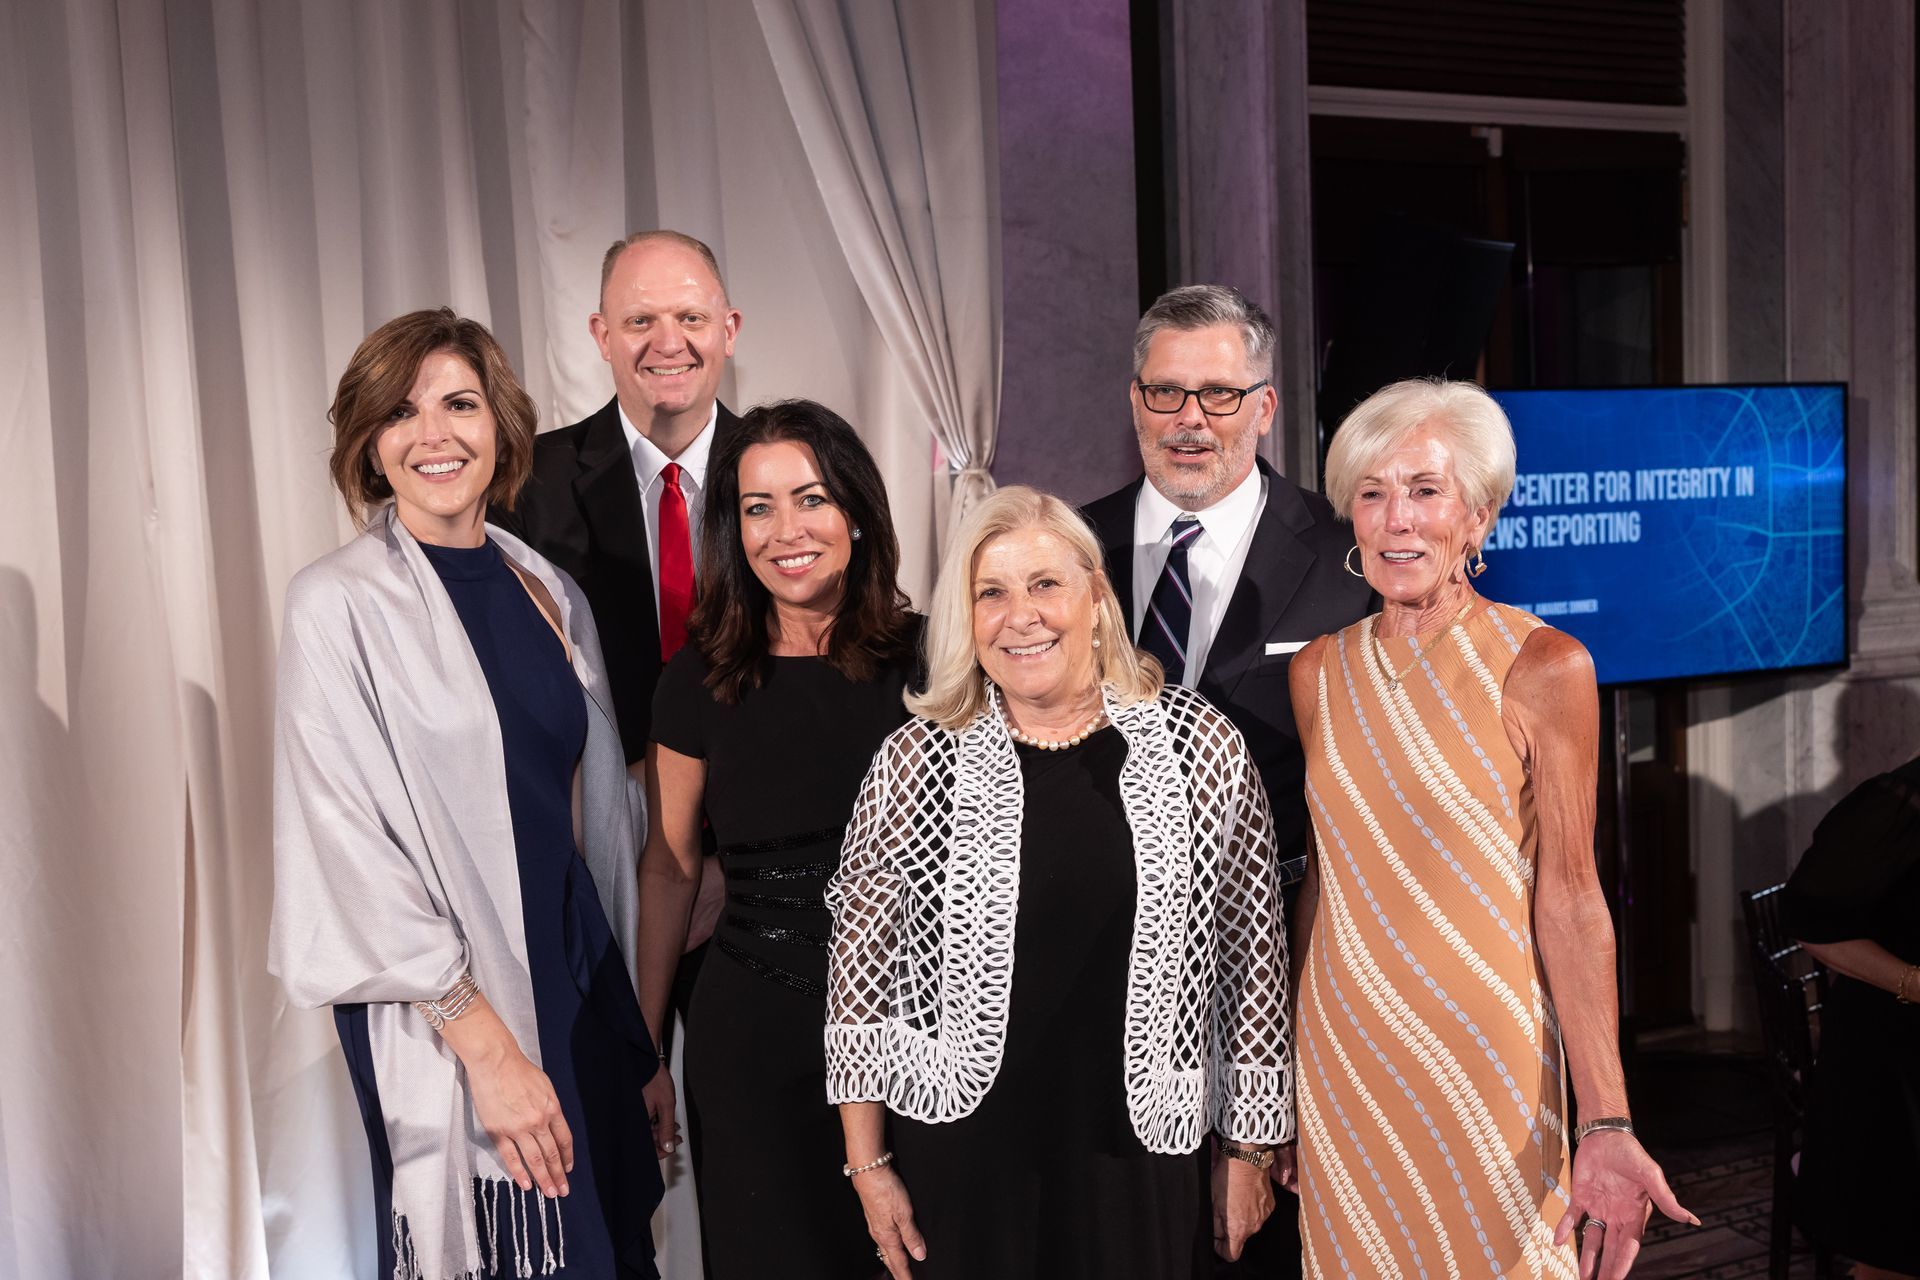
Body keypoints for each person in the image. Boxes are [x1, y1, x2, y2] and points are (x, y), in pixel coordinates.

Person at [269, 309, 663, 1279]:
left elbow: (588, 818)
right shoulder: (337, 604)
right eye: (400, 412)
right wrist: (486, 1048)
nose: (434, 433)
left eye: (459, 403)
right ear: (368, 443)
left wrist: (636, 1035)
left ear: (501, 425)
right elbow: (343, 842)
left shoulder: (548, 590)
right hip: (453, 1013)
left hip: (575, 982)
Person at [827, 485, 1293, 1280]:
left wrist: (1248, 1149)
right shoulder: (915, 763)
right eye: (992, 593)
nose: (1022, 615)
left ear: (1096, 595)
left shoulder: (1199, 746)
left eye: (1045, 584)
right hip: (963, 1162)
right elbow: (857, 984)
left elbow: (1254, 958)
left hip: (1138, 1157)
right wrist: (868, 1169)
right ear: (965, 619)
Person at [1287, 378, 1694, 1280]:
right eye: (1373, 493)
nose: (1398, 520)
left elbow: (1575, 898)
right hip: (1346, 1062)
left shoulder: (1545, 665)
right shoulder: (1318, 673)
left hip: (1490, 1066)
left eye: (1425, 492)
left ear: (1478, 515)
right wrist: (1284, 1084)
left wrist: (1608, 1118)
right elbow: (1327, 880)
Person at [1082, 283, 1374, 1274]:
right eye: (1166, 394)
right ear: (1133, 402)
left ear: (1265, 404)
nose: (1190, 420)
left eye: (1216, 393)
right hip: (1098, 986)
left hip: (1291, 968)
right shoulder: (1060, 557)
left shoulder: (1354, 560)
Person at [635, 400, 921, 1278]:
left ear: (858, 517)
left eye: (810, 499)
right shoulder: (697, 678)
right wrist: (647, 1053)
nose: (784, 531)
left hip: (915, 1033)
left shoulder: (935, 661)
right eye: (757, 508)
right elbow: (671, 869)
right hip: (753, 1040)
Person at [503, 230, 745, 1021]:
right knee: (608, 1131)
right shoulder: (525, 490)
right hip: (591, 872)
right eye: (640, 321)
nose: (667, 342)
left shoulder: (794, 475)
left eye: (690, 317)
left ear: (729, 330)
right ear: (601, 337)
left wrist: (725, 866)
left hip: (755, 881)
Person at [1784, 754, 1920, 1280]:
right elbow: (1810, 922)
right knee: (1896, 1254)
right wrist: (1914, 982)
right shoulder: (1898, 801)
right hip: (1896, 1064)